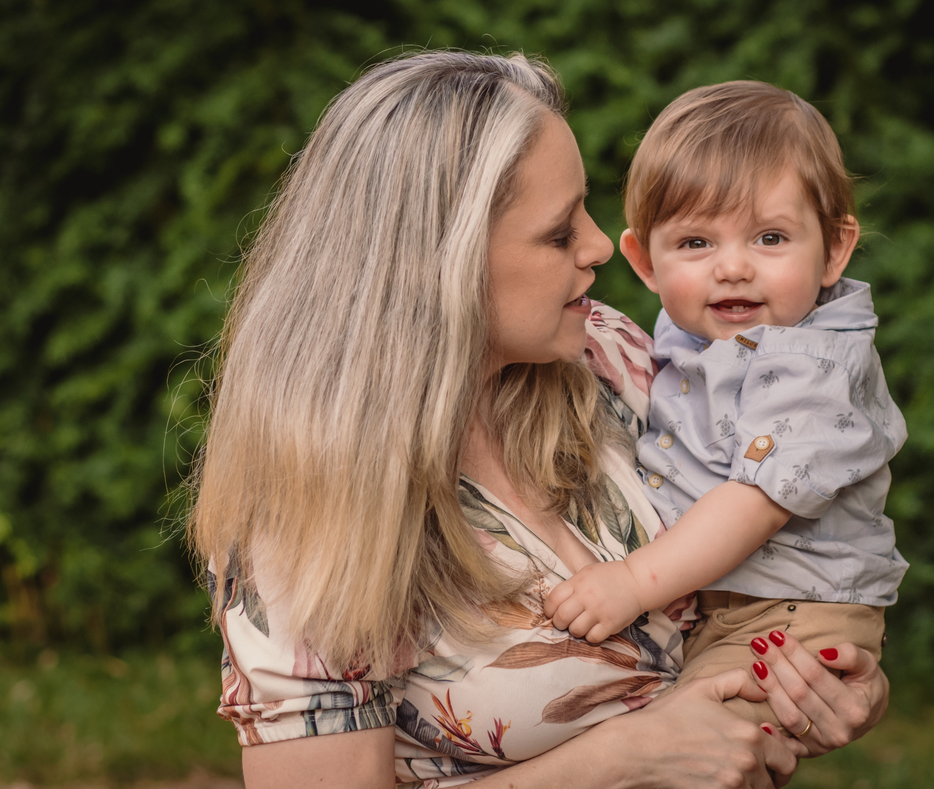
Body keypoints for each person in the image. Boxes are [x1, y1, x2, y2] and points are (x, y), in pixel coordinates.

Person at [189, 52, 889, 789]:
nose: (601, 246)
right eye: (559, 233)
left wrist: (828, 685)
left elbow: (777, 550)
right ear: (442, 261)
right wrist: (622, 759)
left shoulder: (608, 357)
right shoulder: (307, 515)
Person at [545, 81, 907, 731]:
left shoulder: (814, 365)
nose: (733, 267)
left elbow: (753, 504)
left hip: (795, 613)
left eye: (770, 237)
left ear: (834, 248)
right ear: (645, 262)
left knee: (695, 740)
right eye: (696, 243)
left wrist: (631, 582)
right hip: (727, 604)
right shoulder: (679, 337)